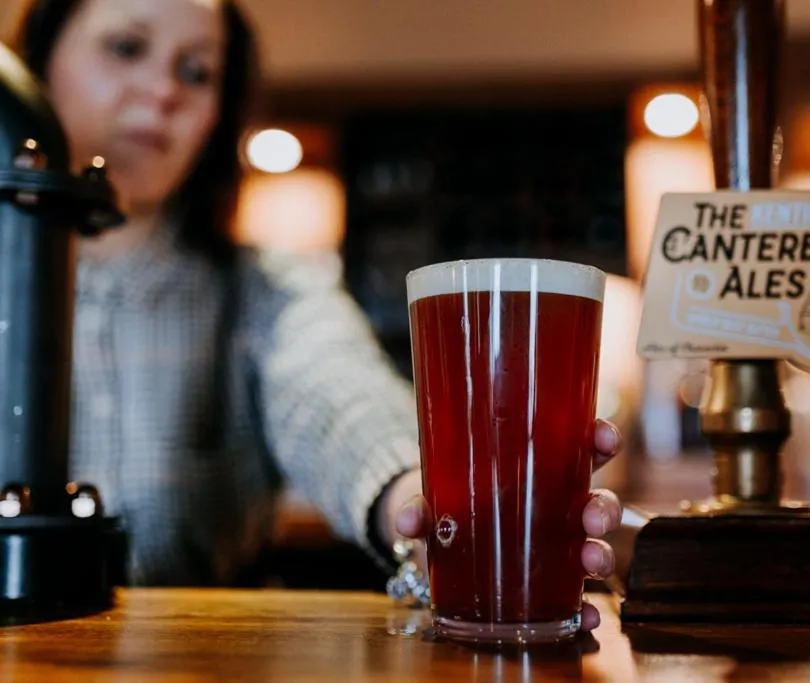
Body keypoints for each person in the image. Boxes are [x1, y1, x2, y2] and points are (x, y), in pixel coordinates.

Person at [3, 0, 624, 630]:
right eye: (126, 48)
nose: (164, 91)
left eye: (196, 72)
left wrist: (421, 504)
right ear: (33, 68)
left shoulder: (265, 287)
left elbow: (336, 398)